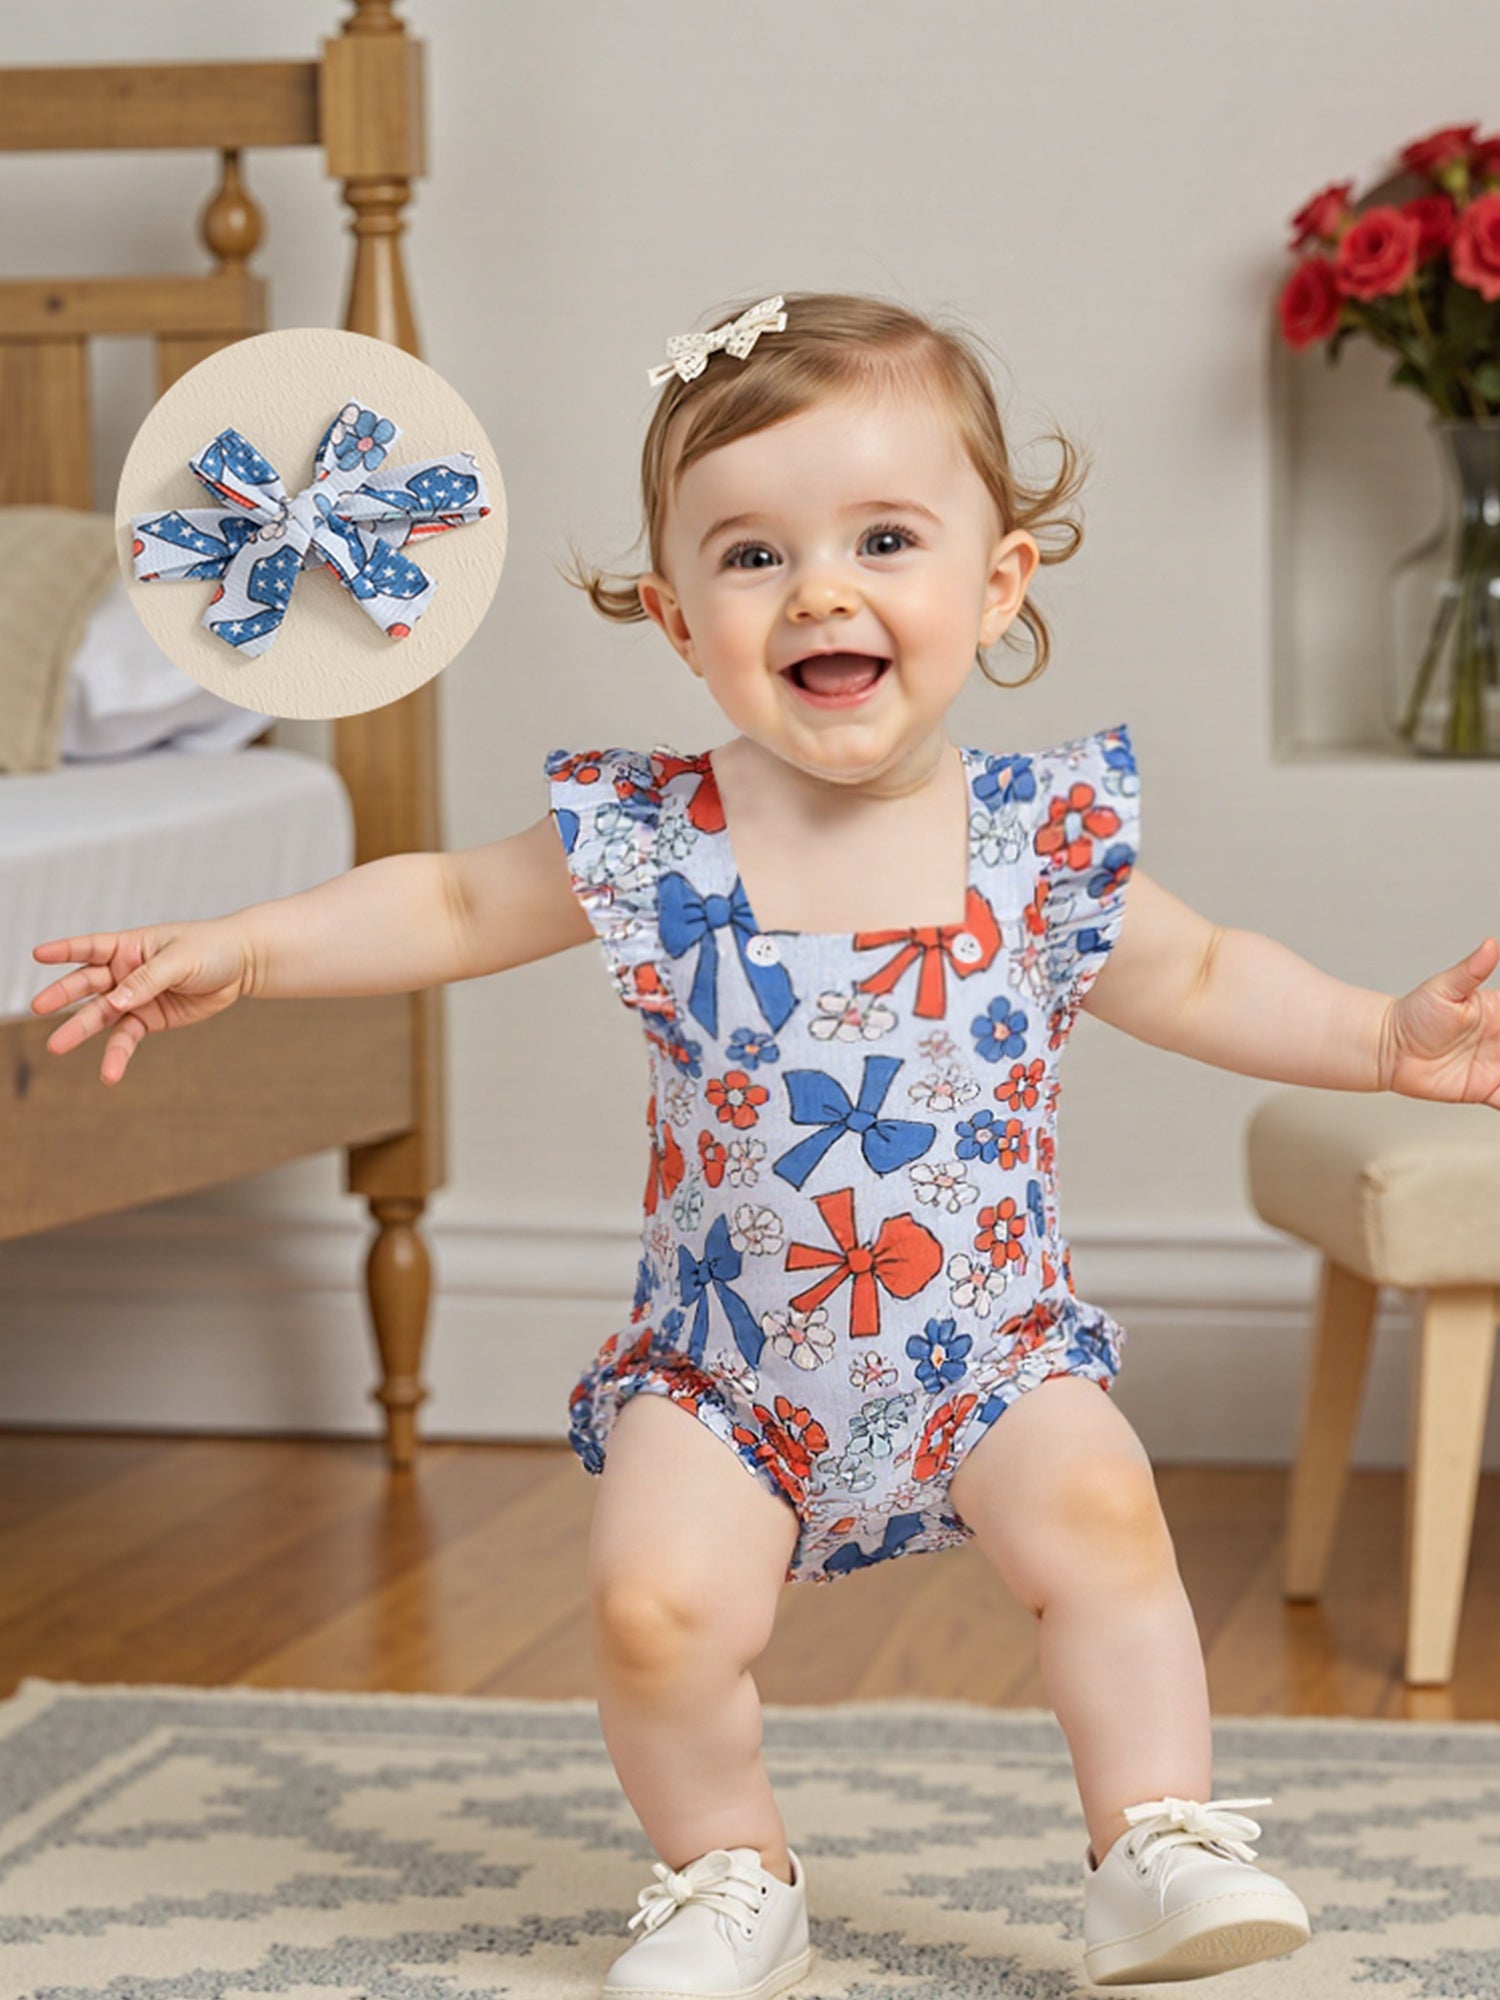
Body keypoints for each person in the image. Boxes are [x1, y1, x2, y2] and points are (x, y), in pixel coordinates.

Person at [31, 290, 1500, 1998]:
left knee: (1104, 1513)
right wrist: (250, 945)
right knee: (655, 1612)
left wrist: (1386, 1041)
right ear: (675, 617)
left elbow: (1204, 972)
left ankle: (1153, 1842)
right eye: (751, 555)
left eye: (885, 537)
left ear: (998, 583)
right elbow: (440, 897)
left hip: (987, 1345)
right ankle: (733, 1873)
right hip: (725, 1369)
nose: (821, 588)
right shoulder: (652, 836)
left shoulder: (1040, 840)